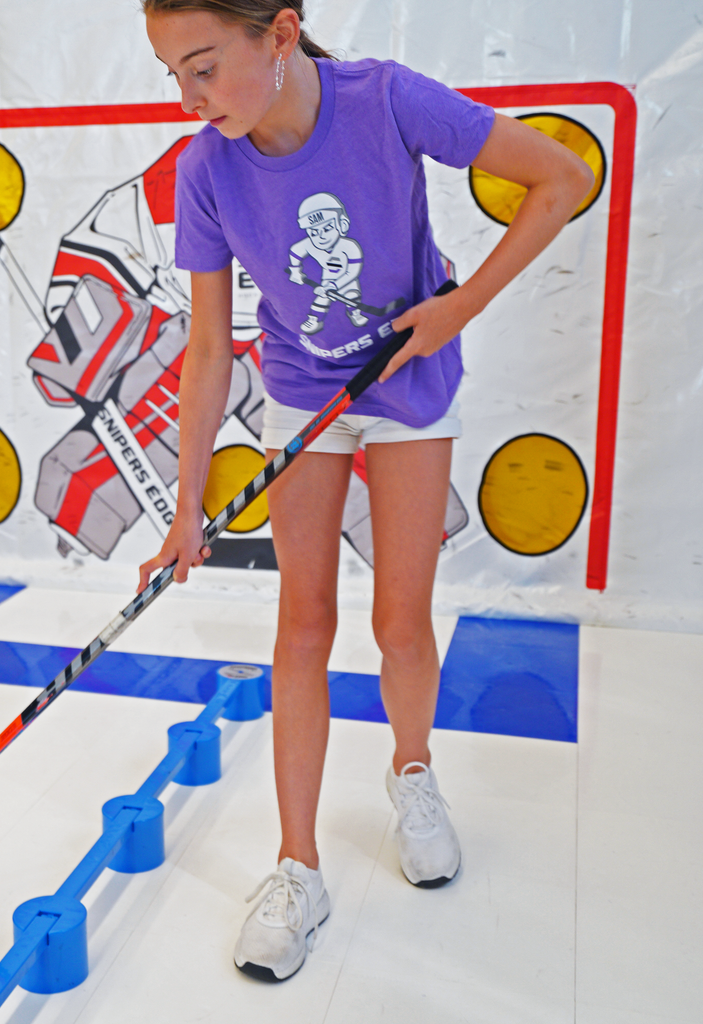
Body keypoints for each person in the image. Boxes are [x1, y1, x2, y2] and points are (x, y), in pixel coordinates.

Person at [137, 0, 594, 982]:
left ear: (281, 31)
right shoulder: (206, 168)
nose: (190, 98)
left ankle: (413, 772)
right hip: (305, 395)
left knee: (399, 619)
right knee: (301, 623)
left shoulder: (385, 101)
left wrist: (458, 308)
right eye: (177, 75)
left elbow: (563, 176)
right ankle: (295, 867)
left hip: (409, 388)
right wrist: (182, 511)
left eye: (205, 66)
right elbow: (212, 347)